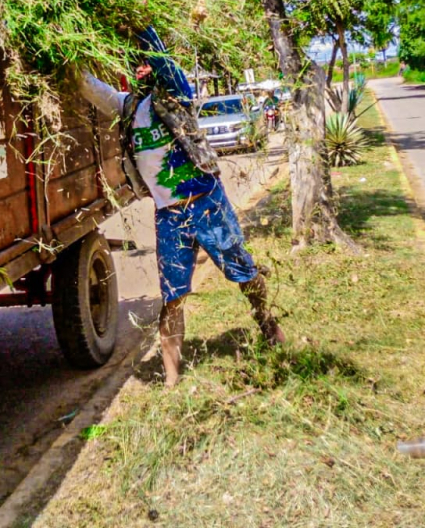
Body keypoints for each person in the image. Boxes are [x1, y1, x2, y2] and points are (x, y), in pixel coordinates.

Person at [77, 26, 285, 387]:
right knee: (172, 297)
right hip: (169, 216)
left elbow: (163, 62)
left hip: (206, 203)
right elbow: (94, 89)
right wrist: (68, 66)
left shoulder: (174, 94)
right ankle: (172, 380)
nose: (142, 68)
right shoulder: (127, 108)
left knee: (243, 273)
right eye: (136, 64)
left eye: (146, 63)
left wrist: (138, 26)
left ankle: (267, 321)